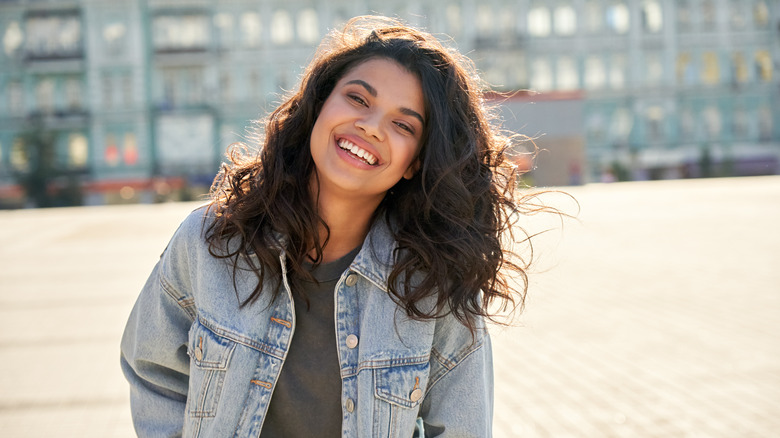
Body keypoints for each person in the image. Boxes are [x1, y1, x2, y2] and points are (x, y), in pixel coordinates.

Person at [121, 15, 535, 437]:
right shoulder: (211, 240)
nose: (370, 127)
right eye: (358, 99)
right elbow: (153, 371)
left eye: (402, 124)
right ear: (319, 104)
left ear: (415, 162)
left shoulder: (434, 286)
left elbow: (464, 428)